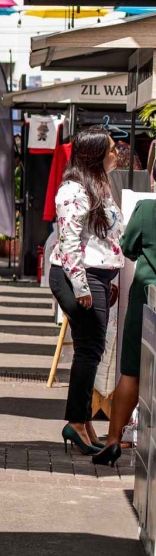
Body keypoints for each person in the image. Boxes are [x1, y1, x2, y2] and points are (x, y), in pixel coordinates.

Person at [48, 130, 124, 461]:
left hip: (96, 277)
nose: (117, 154)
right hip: (78, 277)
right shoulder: (73, 191)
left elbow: (103, 239)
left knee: (90, 350)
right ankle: (77, 422)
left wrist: (109, 278)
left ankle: (83, 422)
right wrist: (82, 287)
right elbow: (68, 243)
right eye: (111, 150)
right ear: (95, 155)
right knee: (90, 350)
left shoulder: (98, 187)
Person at [110, 194, 156, 464]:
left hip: (146, 298)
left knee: (131, 371)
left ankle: (113, 440)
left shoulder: (147, 209)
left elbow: (127, 247)